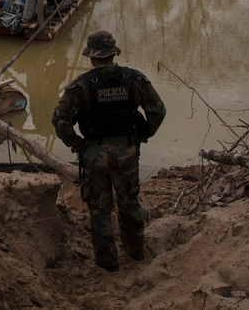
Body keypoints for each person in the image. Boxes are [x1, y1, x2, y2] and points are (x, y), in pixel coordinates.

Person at [52, 30, 166, 272]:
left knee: (100, 209)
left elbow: (60, 119)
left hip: (94, 154)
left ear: (93, 58)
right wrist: (144, 134)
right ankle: (136, 254)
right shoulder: (135, 78)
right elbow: (157, 110)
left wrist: (77, 144)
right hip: (126, 152)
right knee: (129, 203)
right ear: (113, 53)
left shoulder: (81, 85)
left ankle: (108, 263)